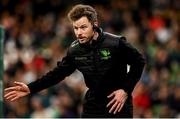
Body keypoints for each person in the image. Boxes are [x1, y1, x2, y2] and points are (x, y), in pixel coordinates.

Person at [4, 4, 145, 118]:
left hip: (118, 103)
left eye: (83, 27)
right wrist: (31, 88)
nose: (79, 33)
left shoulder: (115, 43)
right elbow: (57, 74)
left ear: (94, 24)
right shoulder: (74, 50)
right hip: (93, 105)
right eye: (75, 28)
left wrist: (126, 90)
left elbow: (139, 61)